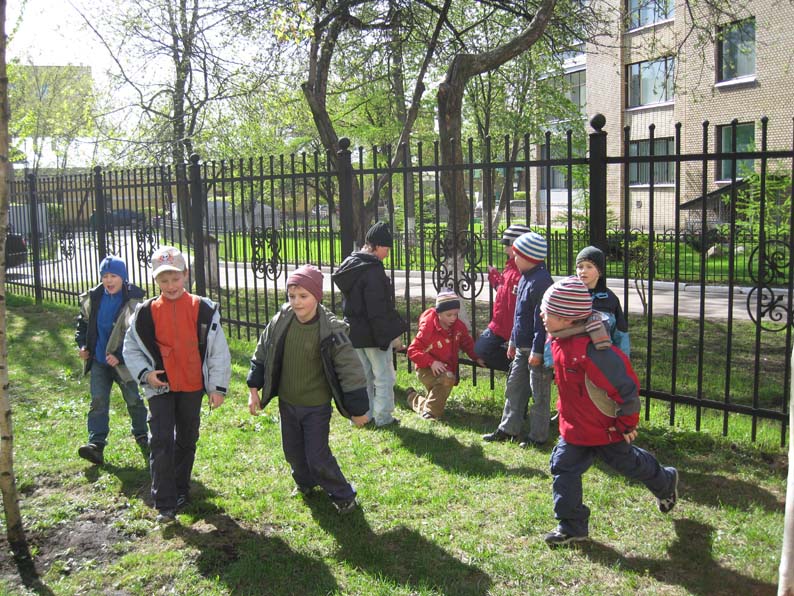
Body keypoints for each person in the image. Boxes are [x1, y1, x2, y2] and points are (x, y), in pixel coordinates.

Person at [540, 276, 679, 547]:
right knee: (563, 466)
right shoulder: (559, 339)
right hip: (575, 429)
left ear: (568, 319)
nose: (542, 316)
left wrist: (627, 424)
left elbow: (626, 388)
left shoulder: (595, 352)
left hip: (606, 430)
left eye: (549, 313)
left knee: (630, 464)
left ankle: (666, 480)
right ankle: (571, 526)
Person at [247, 264, 370, 515]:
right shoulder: (282, 320)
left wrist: (358, 410)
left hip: (316, 406)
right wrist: (253, 388)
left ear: (317, 296)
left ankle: (343, 495)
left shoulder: (331, 329)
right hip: (288, 403)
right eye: (292, 296)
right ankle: (305, 482)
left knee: (317, 456)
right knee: (293, 451)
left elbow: (350, 369)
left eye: (303, 296)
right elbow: (263, 350)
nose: (297, 302)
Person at [123, 246, 231, 524]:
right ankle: (165, 502)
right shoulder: (144, 313)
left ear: (186, 274)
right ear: (155, 280)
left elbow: (218, 351)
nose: (170, 286)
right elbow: (130, 348)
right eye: (164, 280)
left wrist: (217, 387)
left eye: (175, 278)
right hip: (160, 387)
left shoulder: (203, 309)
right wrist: (146, 374)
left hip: (192, 386)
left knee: (186, 438)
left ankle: (181, 488)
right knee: (160, 440)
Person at [332, 222, 408, 428]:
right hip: (374, 333)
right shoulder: (373, 270)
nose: (388, 254)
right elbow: (378, 309)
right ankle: (384, 418)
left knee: (363, 376)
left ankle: (363, 415)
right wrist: (386, 337)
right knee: (384, 377)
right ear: (376, 246)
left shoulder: (351, 264)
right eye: (387, 249)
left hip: (354, 332)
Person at [75, 256, 148, 466]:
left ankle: (142, 434)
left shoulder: (134, 303)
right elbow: (83, 325)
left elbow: (139, 335)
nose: (108, 280)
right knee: (98, 401)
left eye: (113, 276)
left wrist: (120, 356)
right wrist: (83, 345)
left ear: (123, 277)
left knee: (133, 399)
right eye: (105, 276)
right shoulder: (93, 298)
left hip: (123, 364)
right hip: (99, 361)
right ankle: (96, 444)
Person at [482, 231, 553, 446]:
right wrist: (513, 341)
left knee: (539, 395)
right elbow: (518, 316)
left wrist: (537, 351)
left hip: (536, 350)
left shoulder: (542, 282)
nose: (513, 258)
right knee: (514, 388)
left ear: (530, 257)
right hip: (522, 348)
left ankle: (538, 436)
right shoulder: (525, 277)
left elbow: (542, 322)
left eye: (517, 255)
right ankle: (508, 429)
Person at [405, 289, 486, 421]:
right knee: (447, 379)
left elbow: (467, 343)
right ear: (439, 313)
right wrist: (431, 362)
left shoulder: (458, 326)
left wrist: (476, 356)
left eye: (455, 314)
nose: (453, 318)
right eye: (449, 315)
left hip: (445, 369)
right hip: (426, 369)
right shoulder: (428, 327)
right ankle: (431, 413)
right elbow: (412, 350)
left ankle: (413, 398)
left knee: (443, 385)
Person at [474, 224, 531, 372]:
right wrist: (495, 278)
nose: (505, 249)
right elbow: (504, 290)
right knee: (481, 350)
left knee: (483, 350)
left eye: (508, 245)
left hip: (510, 327)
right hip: (499, 324)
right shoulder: (510, 267)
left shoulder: (522, 272)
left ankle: (522, 368)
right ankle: (519, 368)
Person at [575, 245, 630, 355]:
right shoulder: (569, 295)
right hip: (574, 357)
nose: (583, 271)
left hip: (601, 358)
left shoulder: (610, 299)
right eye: (580, 267)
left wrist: (623, 361)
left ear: (599, 272)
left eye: (589, 267)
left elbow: (620, 335)